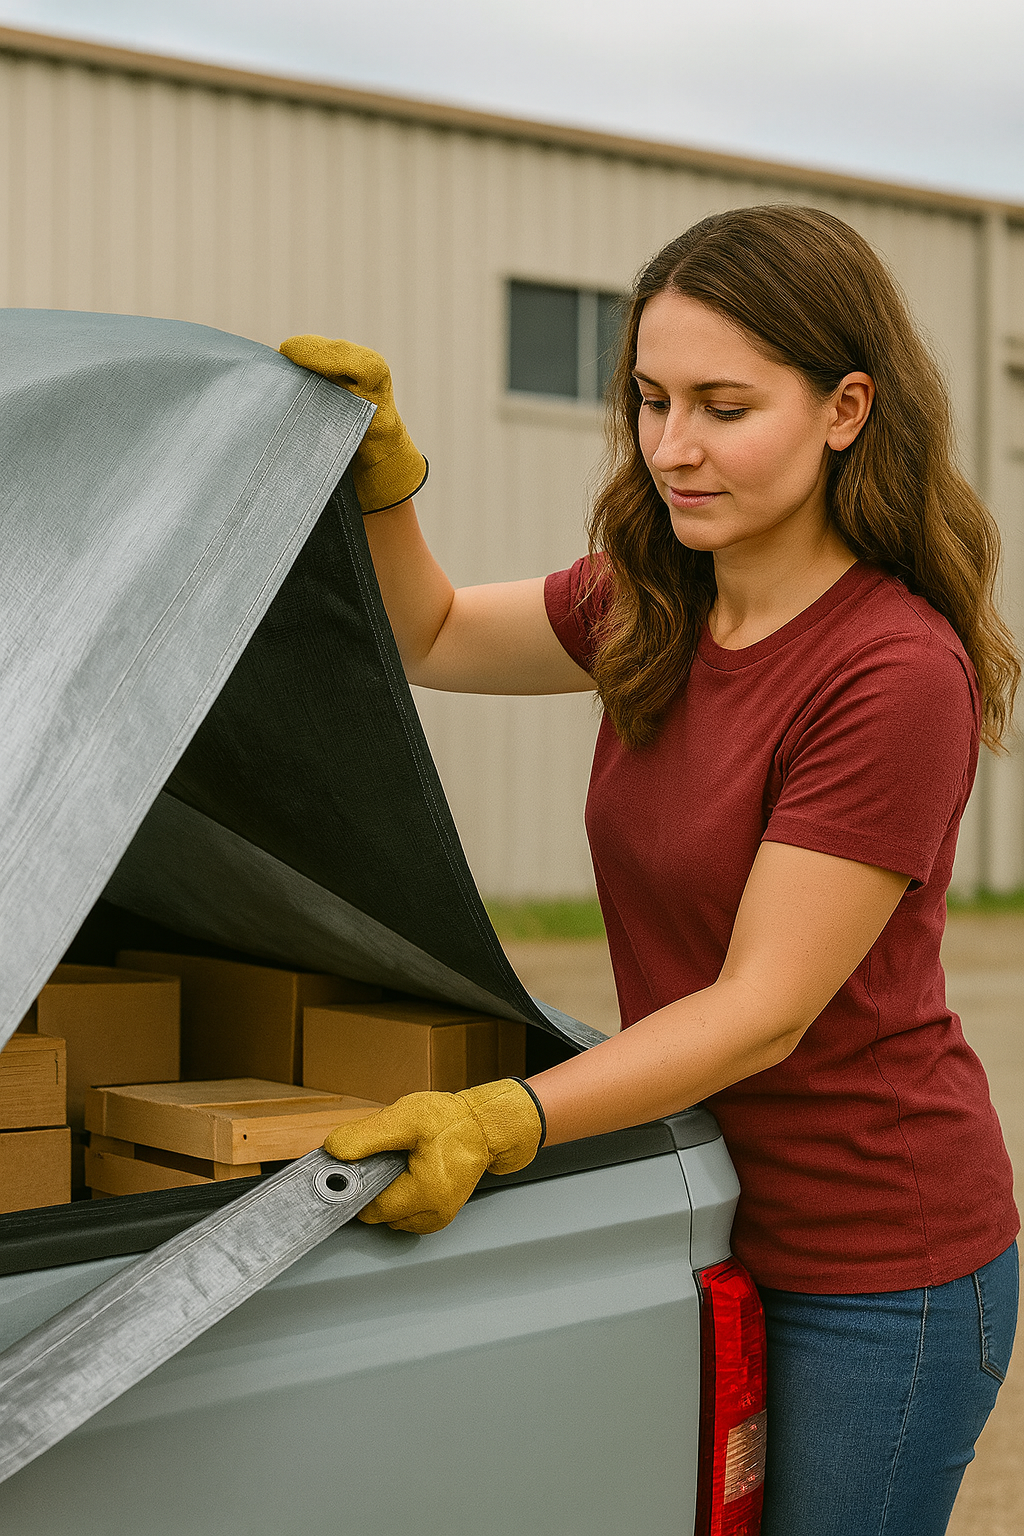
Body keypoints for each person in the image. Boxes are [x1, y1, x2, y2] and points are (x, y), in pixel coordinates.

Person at [280, 204, 1020, 1535]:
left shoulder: (891, 672)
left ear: (846, 408)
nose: (673, 448)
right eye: (650, 401)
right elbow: (431, 632)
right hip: (705, 1202)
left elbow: (762, 1007)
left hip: (879, 1272)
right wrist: (383, 485)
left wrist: (503, 1117)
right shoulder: (651, 597)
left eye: (724, 408)